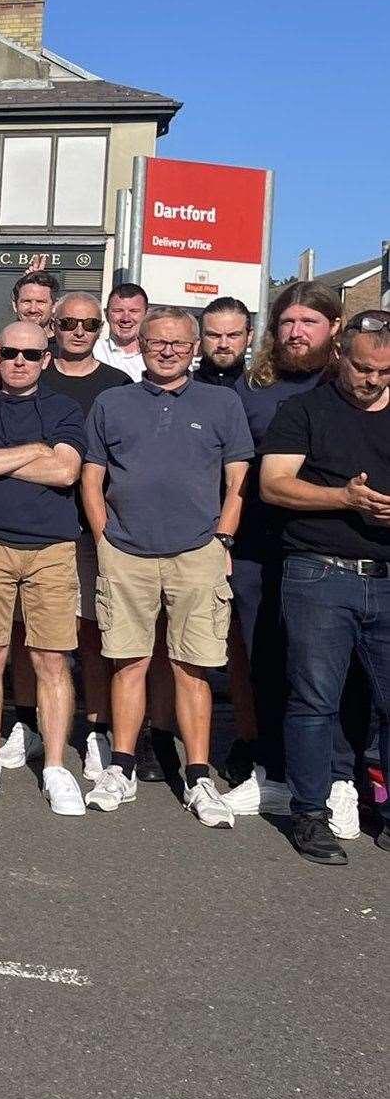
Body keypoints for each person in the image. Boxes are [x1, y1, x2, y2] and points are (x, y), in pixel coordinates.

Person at [80, 307, 253, 826]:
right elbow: (92, 477)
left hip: (197, 553)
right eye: (158, 341)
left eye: (179, 342)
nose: (168, 350)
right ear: (143, 344)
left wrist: (223, 536)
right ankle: (122, 766)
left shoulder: (221, 403)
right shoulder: (113, 402)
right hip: (126, 553)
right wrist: (103, 537)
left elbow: (238, 478)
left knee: (190, 666)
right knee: (127, 661)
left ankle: (198, 776)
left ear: (194, 346)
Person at [259, 310, 390, 863]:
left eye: (385, 372)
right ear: (340, 357)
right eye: (362, 368)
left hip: (386, 578)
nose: (373, 380)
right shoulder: (304, 410)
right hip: (318, 573)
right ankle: (308, 815)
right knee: (314, 701)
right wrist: (346, 498)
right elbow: (273, 485)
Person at [223, 281, 350, 818]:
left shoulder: (350, 385)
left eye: (309, 322)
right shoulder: (250, 389)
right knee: (264, 660)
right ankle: (274, 772)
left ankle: (338, 781)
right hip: (258, 546)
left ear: (335, 328)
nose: (296, 333)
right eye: (287, 322)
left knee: (330, 671)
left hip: (330, 550)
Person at [0, 322, 88, 815]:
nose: (19, 361)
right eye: (10, 352)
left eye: (30, 355)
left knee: (51, 660)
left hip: (52, 548)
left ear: (45, 359)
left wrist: (0, 460)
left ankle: (54, 765)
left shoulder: (64, 409)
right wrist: (35, 450)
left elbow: (66, 471)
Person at [39, 292, 132, 777]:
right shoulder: (32, 370)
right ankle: (28, 721)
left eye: (89, 324)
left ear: (102, 330)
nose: (79, 331)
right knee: (33, 635)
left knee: (94, 631)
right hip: (39, 523)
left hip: (97, 526)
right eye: (70, 322)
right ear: (53, 325)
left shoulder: (118, 384)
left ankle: (96, 728)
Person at [194, 297, 253, 389]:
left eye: (233, 335)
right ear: (200, 336)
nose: (223, 344)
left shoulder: (265, 393)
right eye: (214, 335)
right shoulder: (177, 391)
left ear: (249, 336)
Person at [93, 283, 148, 380]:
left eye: (134, 311)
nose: (126, 318)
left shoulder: (156, 355)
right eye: (118, 311)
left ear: (146, 315)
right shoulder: (93, 351)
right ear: (106, 315)